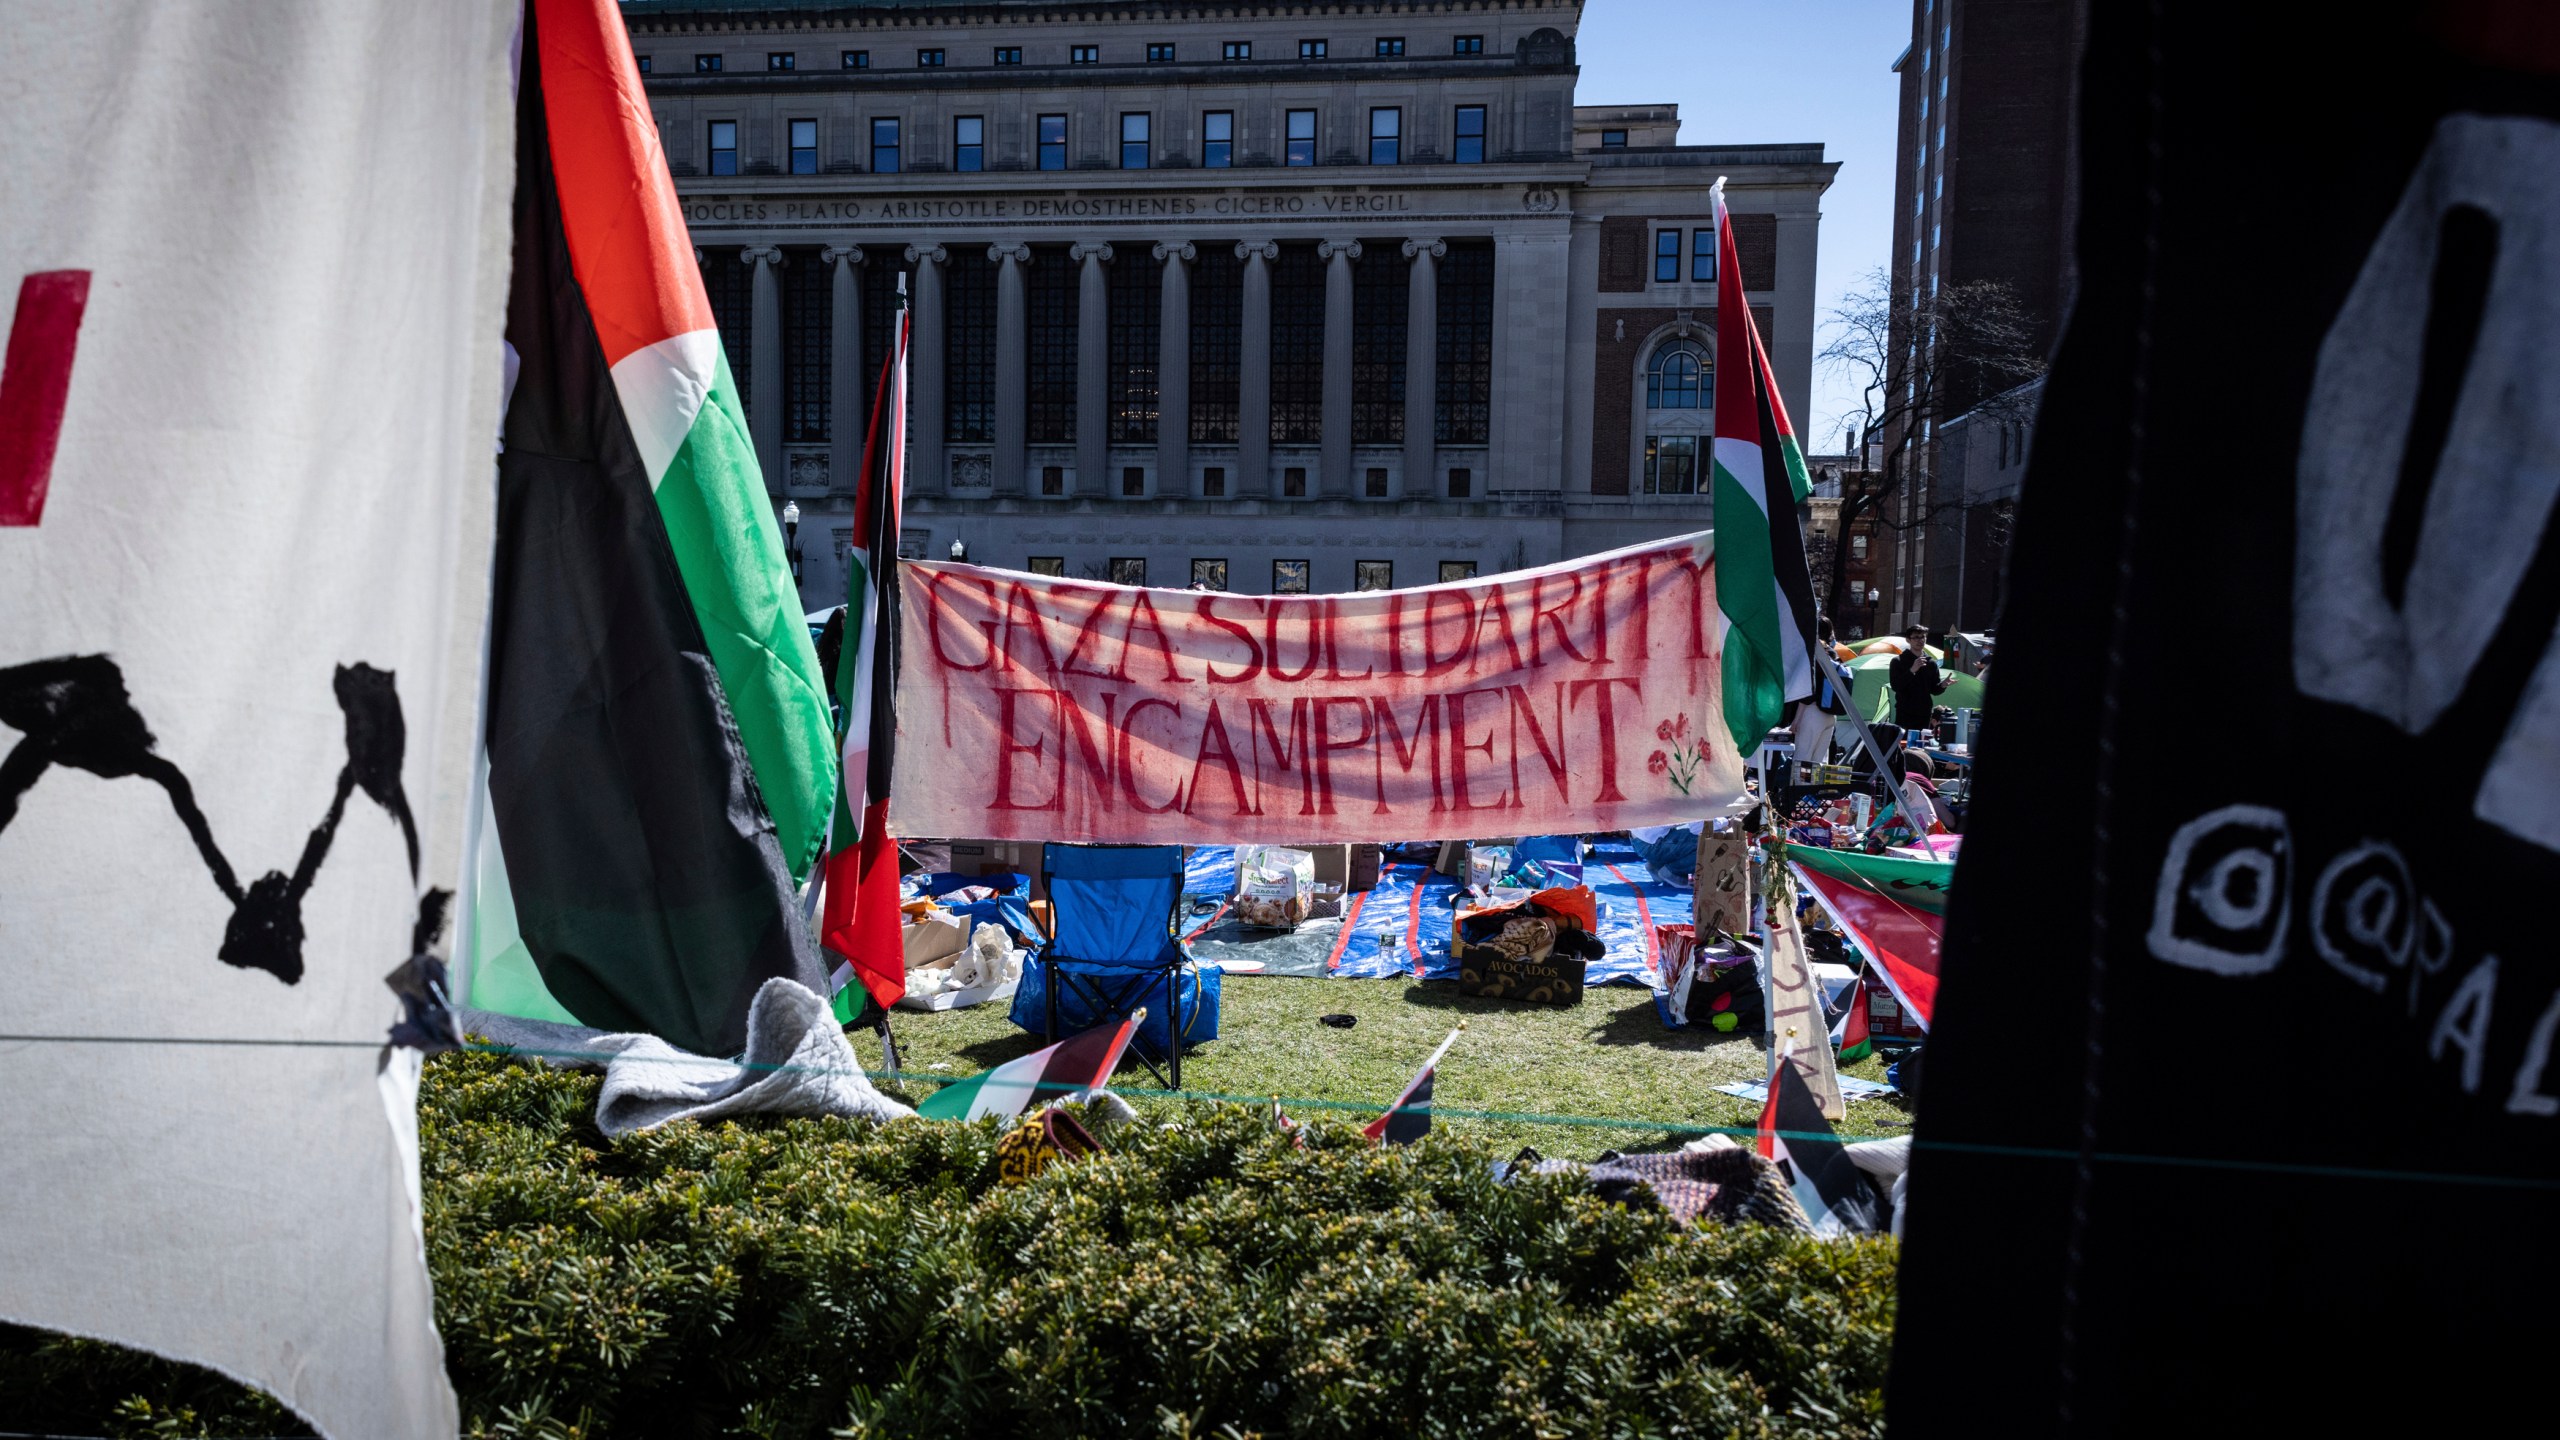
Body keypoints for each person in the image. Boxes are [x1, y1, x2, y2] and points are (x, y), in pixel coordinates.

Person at [1790, 616, 1849, 780]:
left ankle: (1799, 795)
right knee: (1818, 761)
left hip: (1812, 712)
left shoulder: (1812, 654)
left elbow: (1808, 692)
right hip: (1830, 714)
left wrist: (1796, 719)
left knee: (1802, 759)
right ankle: (1812, 795)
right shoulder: (1833, 653)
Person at [1888, 626, 1950, 732]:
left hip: (1924, 712)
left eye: (1923, 637)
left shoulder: (1931, 663)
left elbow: (1934, 690)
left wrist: (1943, 685)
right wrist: (1912, 670)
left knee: (1921, 744)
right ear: (1908, 640)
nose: (1920, 640)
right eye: (1916, 637)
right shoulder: (1898, 661)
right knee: (1904, 743)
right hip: (1905, 711)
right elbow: (1896, 686)